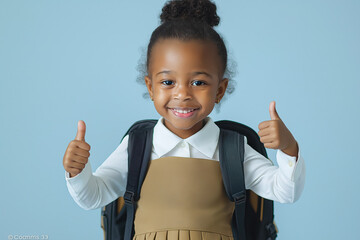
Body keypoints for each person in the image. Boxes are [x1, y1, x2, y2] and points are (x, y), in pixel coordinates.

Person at [63, 0, 305, 239]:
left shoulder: (232, 150)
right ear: (150, 87)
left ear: (220, 90)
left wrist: (288, 147)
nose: (182, 94)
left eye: (198, 82)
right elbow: (94, 196)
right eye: (168, 82)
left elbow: (285, 191)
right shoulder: (137, 147)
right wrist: (78, 172)